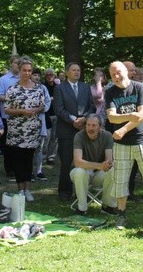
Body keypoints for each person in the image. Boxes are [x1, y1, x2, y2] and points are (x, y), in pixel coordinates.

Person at [105, 61, 143, 229]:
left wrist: (122, 129)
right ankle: (121, 215)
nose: (116, 76)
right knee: (120, 181)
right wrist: (132, 115)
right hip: (121, 146)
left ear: (127, 72)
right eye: (112, 74)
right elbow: (111, 118)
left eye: (118, 72)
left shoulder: (139, 87)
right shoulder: (110, 92)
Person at [4, 56, 45, 202]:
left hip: (32, 131)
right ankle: (20, 189)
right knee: (18, 160)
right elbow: (7, 109)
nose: (27, 73)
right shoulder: (13, 89)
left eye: (29, 70)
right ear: (19, 71)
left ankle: (28, 189)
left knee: (28, 160)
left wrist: (36, 109)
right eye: (24, 70)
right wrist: (22, 111)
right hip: (16, 131)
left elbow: (42, 106)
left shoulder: (38, 88)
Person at [53, 62, 93, 200]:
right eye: (74, 70)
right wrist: (73, 120)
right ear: (67, 72)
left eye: (78, 70)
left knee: (84, 161)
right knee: (66, 161)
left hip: (83, 130)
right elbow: (58, 109)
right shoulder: (60, 88)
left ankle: (83, 192)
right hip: (66, 130)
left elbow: (91, 107)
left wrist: (84, 118)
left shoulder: (85, 87)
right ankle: (65, 191)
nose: (77, 72)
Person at [70, 113, 116, 215]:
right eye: (88, 125)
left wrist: (104, 165)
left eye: (94, 125)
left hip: (98, 174)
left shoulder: (107, 136)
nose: (90, 128)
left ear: (100, 127)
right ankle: (82, 208)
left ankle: (108, 206)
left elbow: (109, 161)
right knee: (79, 171)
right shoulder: (79, 136)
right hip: (81, 173)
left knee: (113, 170)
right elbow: (77, 161)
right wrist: (99, 165)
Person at [0, 54, 20, 178]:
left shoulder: (25, 78)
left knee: (20, 143)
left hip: (22, 116)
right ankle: (9, 168)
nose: (18, 65)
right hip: (8, 117)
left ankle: (20, 166)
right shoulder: (3, 79)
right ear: (11, 64)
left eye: (19, 63)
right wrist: (12, 98)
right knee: (8, 144)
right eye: (16, 63)